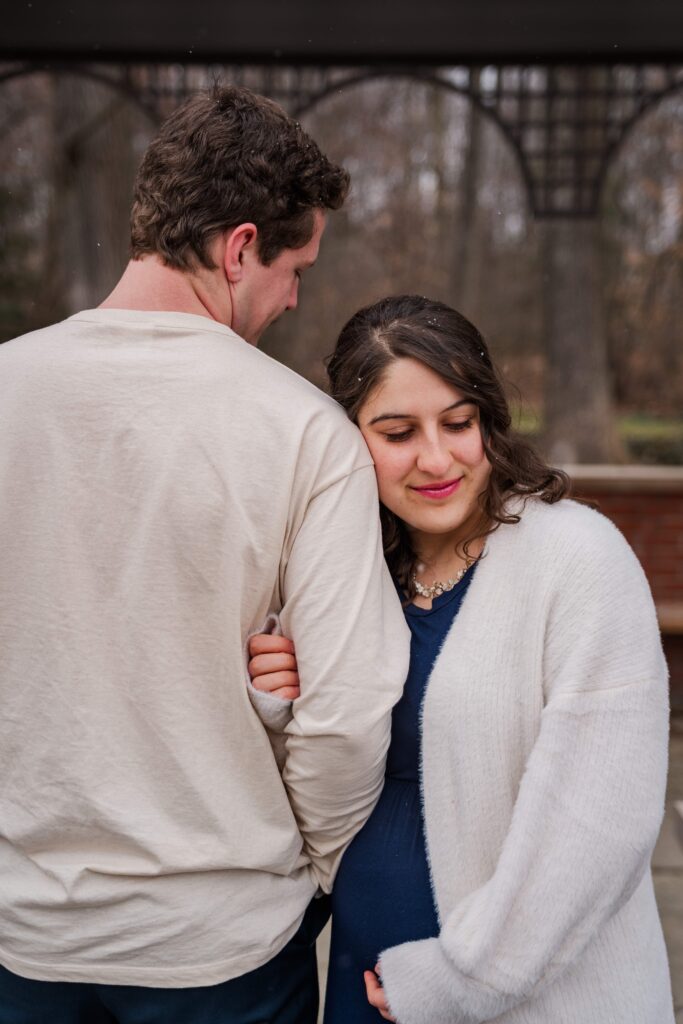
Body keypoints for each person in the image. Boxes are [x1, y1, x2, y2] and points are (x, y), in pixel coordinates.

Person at [0, 88, 410, 1024]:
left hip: (21, 937)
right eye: (293, 265)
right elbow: (345, 718)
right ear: (238, 249)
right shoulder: (304, 432)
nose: (294, 294)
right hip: (219, 947)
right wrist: (306, 864)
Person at [248, 294, 675, 1024]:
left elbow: (597, 825)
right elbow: (315, 783)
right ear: (349, 440)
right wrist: (279, 705)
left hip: (523, 994)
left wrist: (459, 979)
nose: (437, 459)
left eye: (456, 423)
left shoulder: (575, 558)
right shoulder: (345, 573)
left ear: (487, 420)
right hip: (362, 974)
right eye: (397, 432)